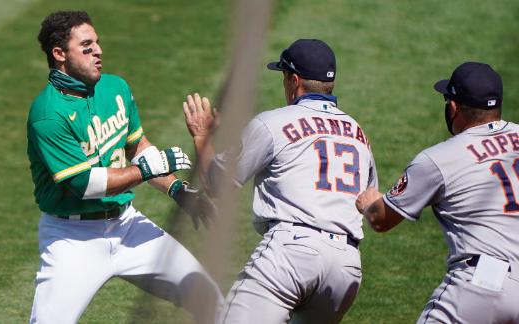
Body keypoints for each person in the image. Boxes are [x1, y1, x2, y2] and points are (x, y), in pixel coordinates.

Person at [27, 10, 222, 324]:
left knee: (211, 299)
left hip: (128, 226)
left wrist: (176, 188)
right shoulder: (49, 114)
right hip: (72, 239)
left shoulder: (114, 88)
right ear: (60, 54)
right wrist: (148, 170)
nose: (99, 52)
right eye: (87, 46)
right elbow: (86, 185)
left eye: (98, 43)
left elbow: (137, 146)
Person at [182, 39, 378, 323]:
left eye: (284, 76)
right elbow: (369, 203)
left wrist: (201, 136)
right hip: (346, 267)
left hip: (292, 255)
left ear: (294, 80)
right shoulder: (358, 134)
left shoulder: (274, 122)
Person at [355, 62, 519, 323]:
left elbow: (380, 219)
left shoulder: (439, 158)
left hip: (482, 286)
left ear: (453, 107)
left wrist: (369, 203)